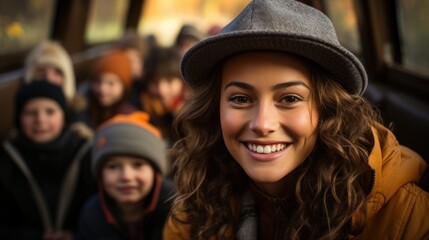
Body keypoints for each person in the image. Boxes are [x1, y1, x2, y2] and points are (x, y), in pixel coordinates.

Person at [163, 0, 429, 239]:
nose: (262, 124)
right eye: (241, 99)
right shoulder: (194, 209)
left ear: (329, 109)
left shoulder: (405, 216)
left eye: (289, 99)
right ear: (215, 107)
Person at [0, 80, 95, 240]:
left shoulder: (84, 153)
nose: (40, 120)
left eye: (50, 112)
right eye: (31, 113)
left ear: (64, 116)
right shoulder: (7, 159)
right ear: (18, 118)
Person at [76, 112, 174, 240]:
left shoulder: (175, 208)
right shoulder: (92, 215)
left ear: (156, 171)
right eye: (113, 167)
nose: (126, 176)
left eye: (138, 165)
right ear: (99, 174)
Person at [140, 46, 186, 146]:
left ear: (182, 81)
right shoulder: (140, 110)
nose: (162, 90)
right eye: (155, 82)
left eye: (169, 82)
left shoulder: (191, 112)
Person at [87, 50, 137, 128]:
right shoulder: (85, 109)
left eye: (111, 83)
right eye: (98, 81)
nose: (102, 89)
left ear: (124, 86)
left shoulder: (130, 117)